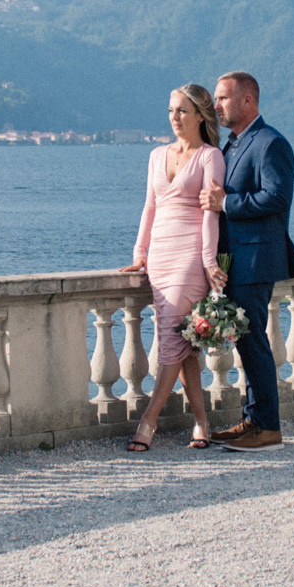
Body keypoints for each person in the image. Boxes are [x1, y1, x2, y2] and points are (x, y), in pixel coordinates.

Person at [118, 84, 225, 451]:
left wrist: (209, 259)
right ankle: (201, 422)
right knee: (183, 343)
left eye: (181, 110)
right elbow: (149, 207)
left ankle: (149, 420)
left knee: (170, 338)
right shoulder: (156, 155)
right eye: (170, 110)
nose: (174, 118)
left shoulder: (210, 156)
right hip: (160, 257)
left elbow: (211, 210)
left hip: (190, 257)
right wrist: (139, 252)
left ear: (200, 114)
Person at [199, 69, 294, 450]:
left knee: (253, 341)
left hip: (256, 258)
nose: (216, 105)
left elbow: (277, 198)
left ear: (248, 100)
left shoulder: (270, 143)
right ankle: (252, 419)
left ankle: (268, 427)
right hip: (236, 259)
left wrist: (226, 202)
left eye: (223, 98)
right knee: (245, 340)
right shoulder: (235, 144)